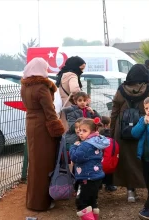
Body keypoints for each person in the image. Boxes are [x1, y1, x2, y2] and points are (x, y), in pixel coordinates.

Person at [20, 58, 65, 211]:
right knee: (44, 164)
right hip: (43, 127)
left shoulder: (25, 86)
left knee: (34, 164)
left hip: (31, 124)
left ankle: (32, 200)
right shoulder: (41, 87)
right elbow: (50, 112)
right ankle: (41, 203)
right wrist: (58, 130)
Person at [110, 64, 149, 202]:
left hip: (122, 127)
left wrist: (112, 131)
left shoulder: (121, 89)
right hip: (144, 125)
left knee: (126, 159)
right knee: (143, 158)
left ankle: (130, 191)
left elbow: (114, 111)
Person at [70, 118, 110, 219]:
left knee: (82, 201)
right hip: (96, 176)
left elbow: (75, 157)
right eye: (80, 131)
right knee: (92, 201)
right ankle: (93, 217)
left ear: (92, 131)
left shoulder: (86, 145)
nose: (81, 133)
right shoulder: (97, 141)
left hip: (87, 177)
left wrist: (73, 147)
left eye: (84, 131)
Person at [58, 56, 86, 131]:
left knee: (65, 130)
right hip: (72, 108)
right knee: (73, 130)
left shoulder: (63, 75)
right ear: (75, 66)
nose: (82, 71)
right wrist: (82, 98)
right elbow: (74, 89)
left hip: (63, 106)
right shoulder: (72, 75)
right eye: (81, 68)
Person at [99, 116, 117, 192]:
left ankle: (99, 186)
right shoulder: (110, 133)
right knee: (109, 172)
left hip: (99, 159)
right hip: (109, 159)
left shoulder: (99, 134)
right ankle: (109, 185)